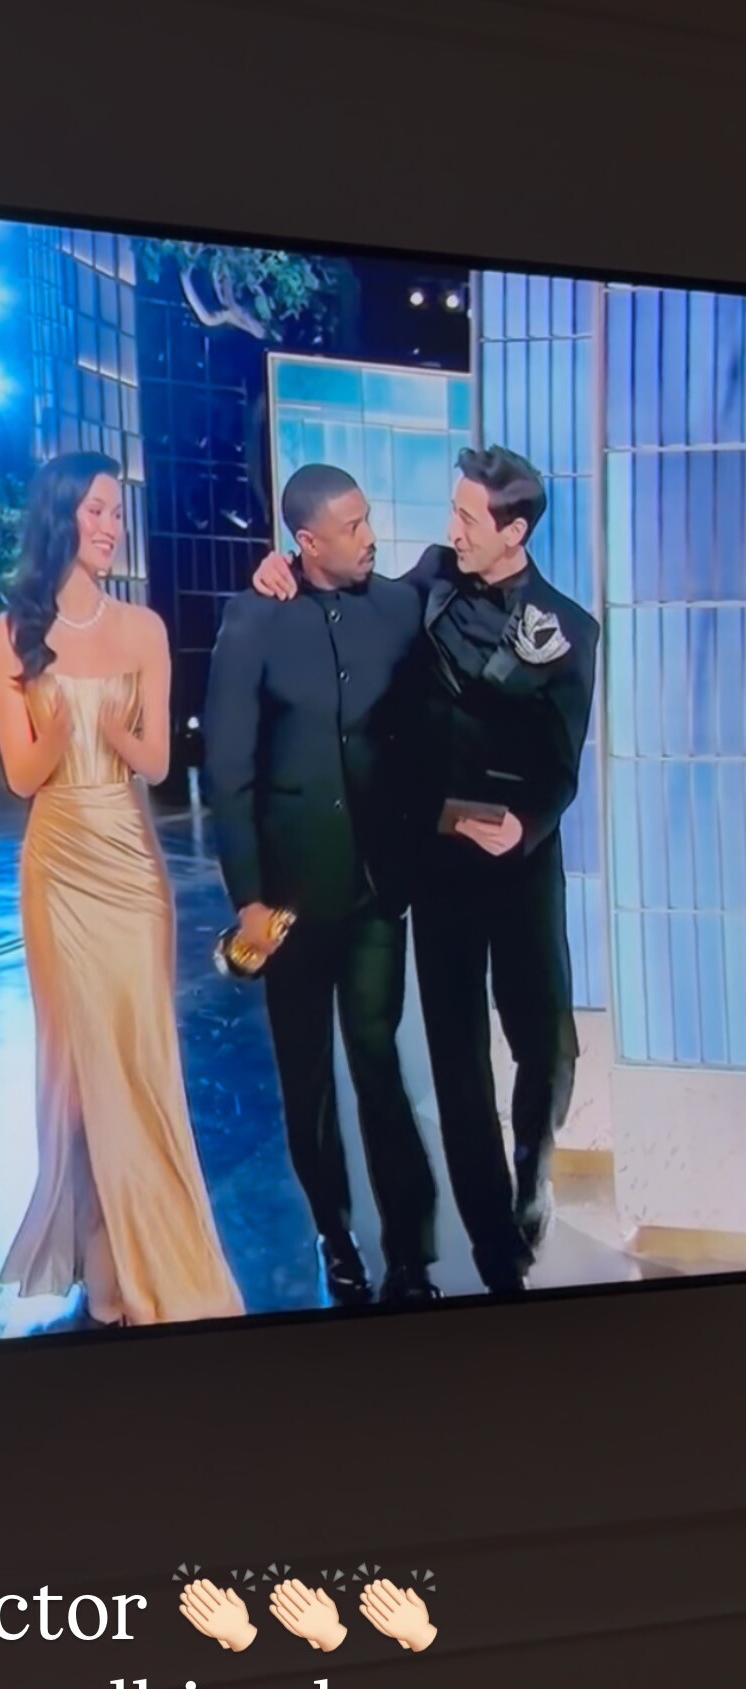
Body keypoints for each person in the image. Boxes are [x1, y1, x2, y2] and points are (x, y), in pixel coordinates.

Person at [253, 445, 599, 1297]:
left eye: (468, 518)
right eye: (453, 512)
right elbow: (355, 600)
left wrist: (525, 825)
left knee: (546, 1045)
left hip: (521, 865)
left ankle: (533, 1166)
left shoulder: (570, 629)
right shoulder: (433, 579)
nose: (452, 530)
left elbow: (563, 769)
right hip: (439, 862)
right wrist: (285, 569)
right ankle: (494, 1244)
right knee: (457, 1059)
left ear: (515, 532)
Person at [0, 451, 242, 1331]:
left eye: (116, 511)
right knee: (78, 1067)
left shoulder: (142, 628)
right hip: (57, 864)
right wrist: (59, 735)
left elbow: (160, 762)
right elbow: (21, 776)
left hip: (130, 868)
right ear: (60, 515)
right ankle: (105, 1262)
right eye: (96, 509)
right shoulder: (10, 634)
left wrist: (114, 734)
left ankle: (159, 1257)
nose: (110, 525)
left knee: (139, 1061)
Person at [203, 462, 439, 1312]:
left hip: (376, 887)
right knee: (306, 1079)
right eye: (352, 526)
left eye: (368, 519)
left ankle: (411, 1256)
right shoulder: (255, 619)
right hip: (288, 900)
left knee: (377, 1060)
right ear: (306, 542)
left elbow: (451, 567)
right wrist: (248, 900)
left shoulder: (400, 606)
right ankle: (335, 1242)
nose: (370, 537)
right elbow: (227, 770)